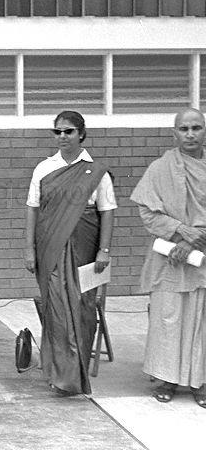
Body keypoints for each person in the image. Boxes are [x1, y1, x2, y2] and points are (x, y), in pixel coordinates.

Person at [24, 110, 116, 396]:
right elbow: (33, 210)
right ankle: (58, 374)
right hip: (50, 250)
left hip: (85, 251)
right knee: (56, 310)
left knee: (82, 308)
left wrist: (104, 250)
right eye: (58, 132)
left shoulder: (95, 171)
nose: (62, 136)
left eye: (69, 131)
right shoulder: (44, 168)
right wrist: (29, 248)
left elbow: (108, 212)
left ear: (81, 134)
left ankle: (75, 374)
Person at [130, 108, 206, 406]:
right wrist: (181, 232)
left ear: (204, 131)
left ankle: (200, 381)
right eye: (184, 129)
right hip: (171, 257)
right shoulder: (161, 168)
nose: (190, 134)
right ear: (174, 133)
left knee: (202, 320)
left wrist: (197, 238)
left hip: (203, 256)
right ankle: (167, 379)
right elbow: (148, 213)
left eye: (196, 128)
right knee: (168, 318)